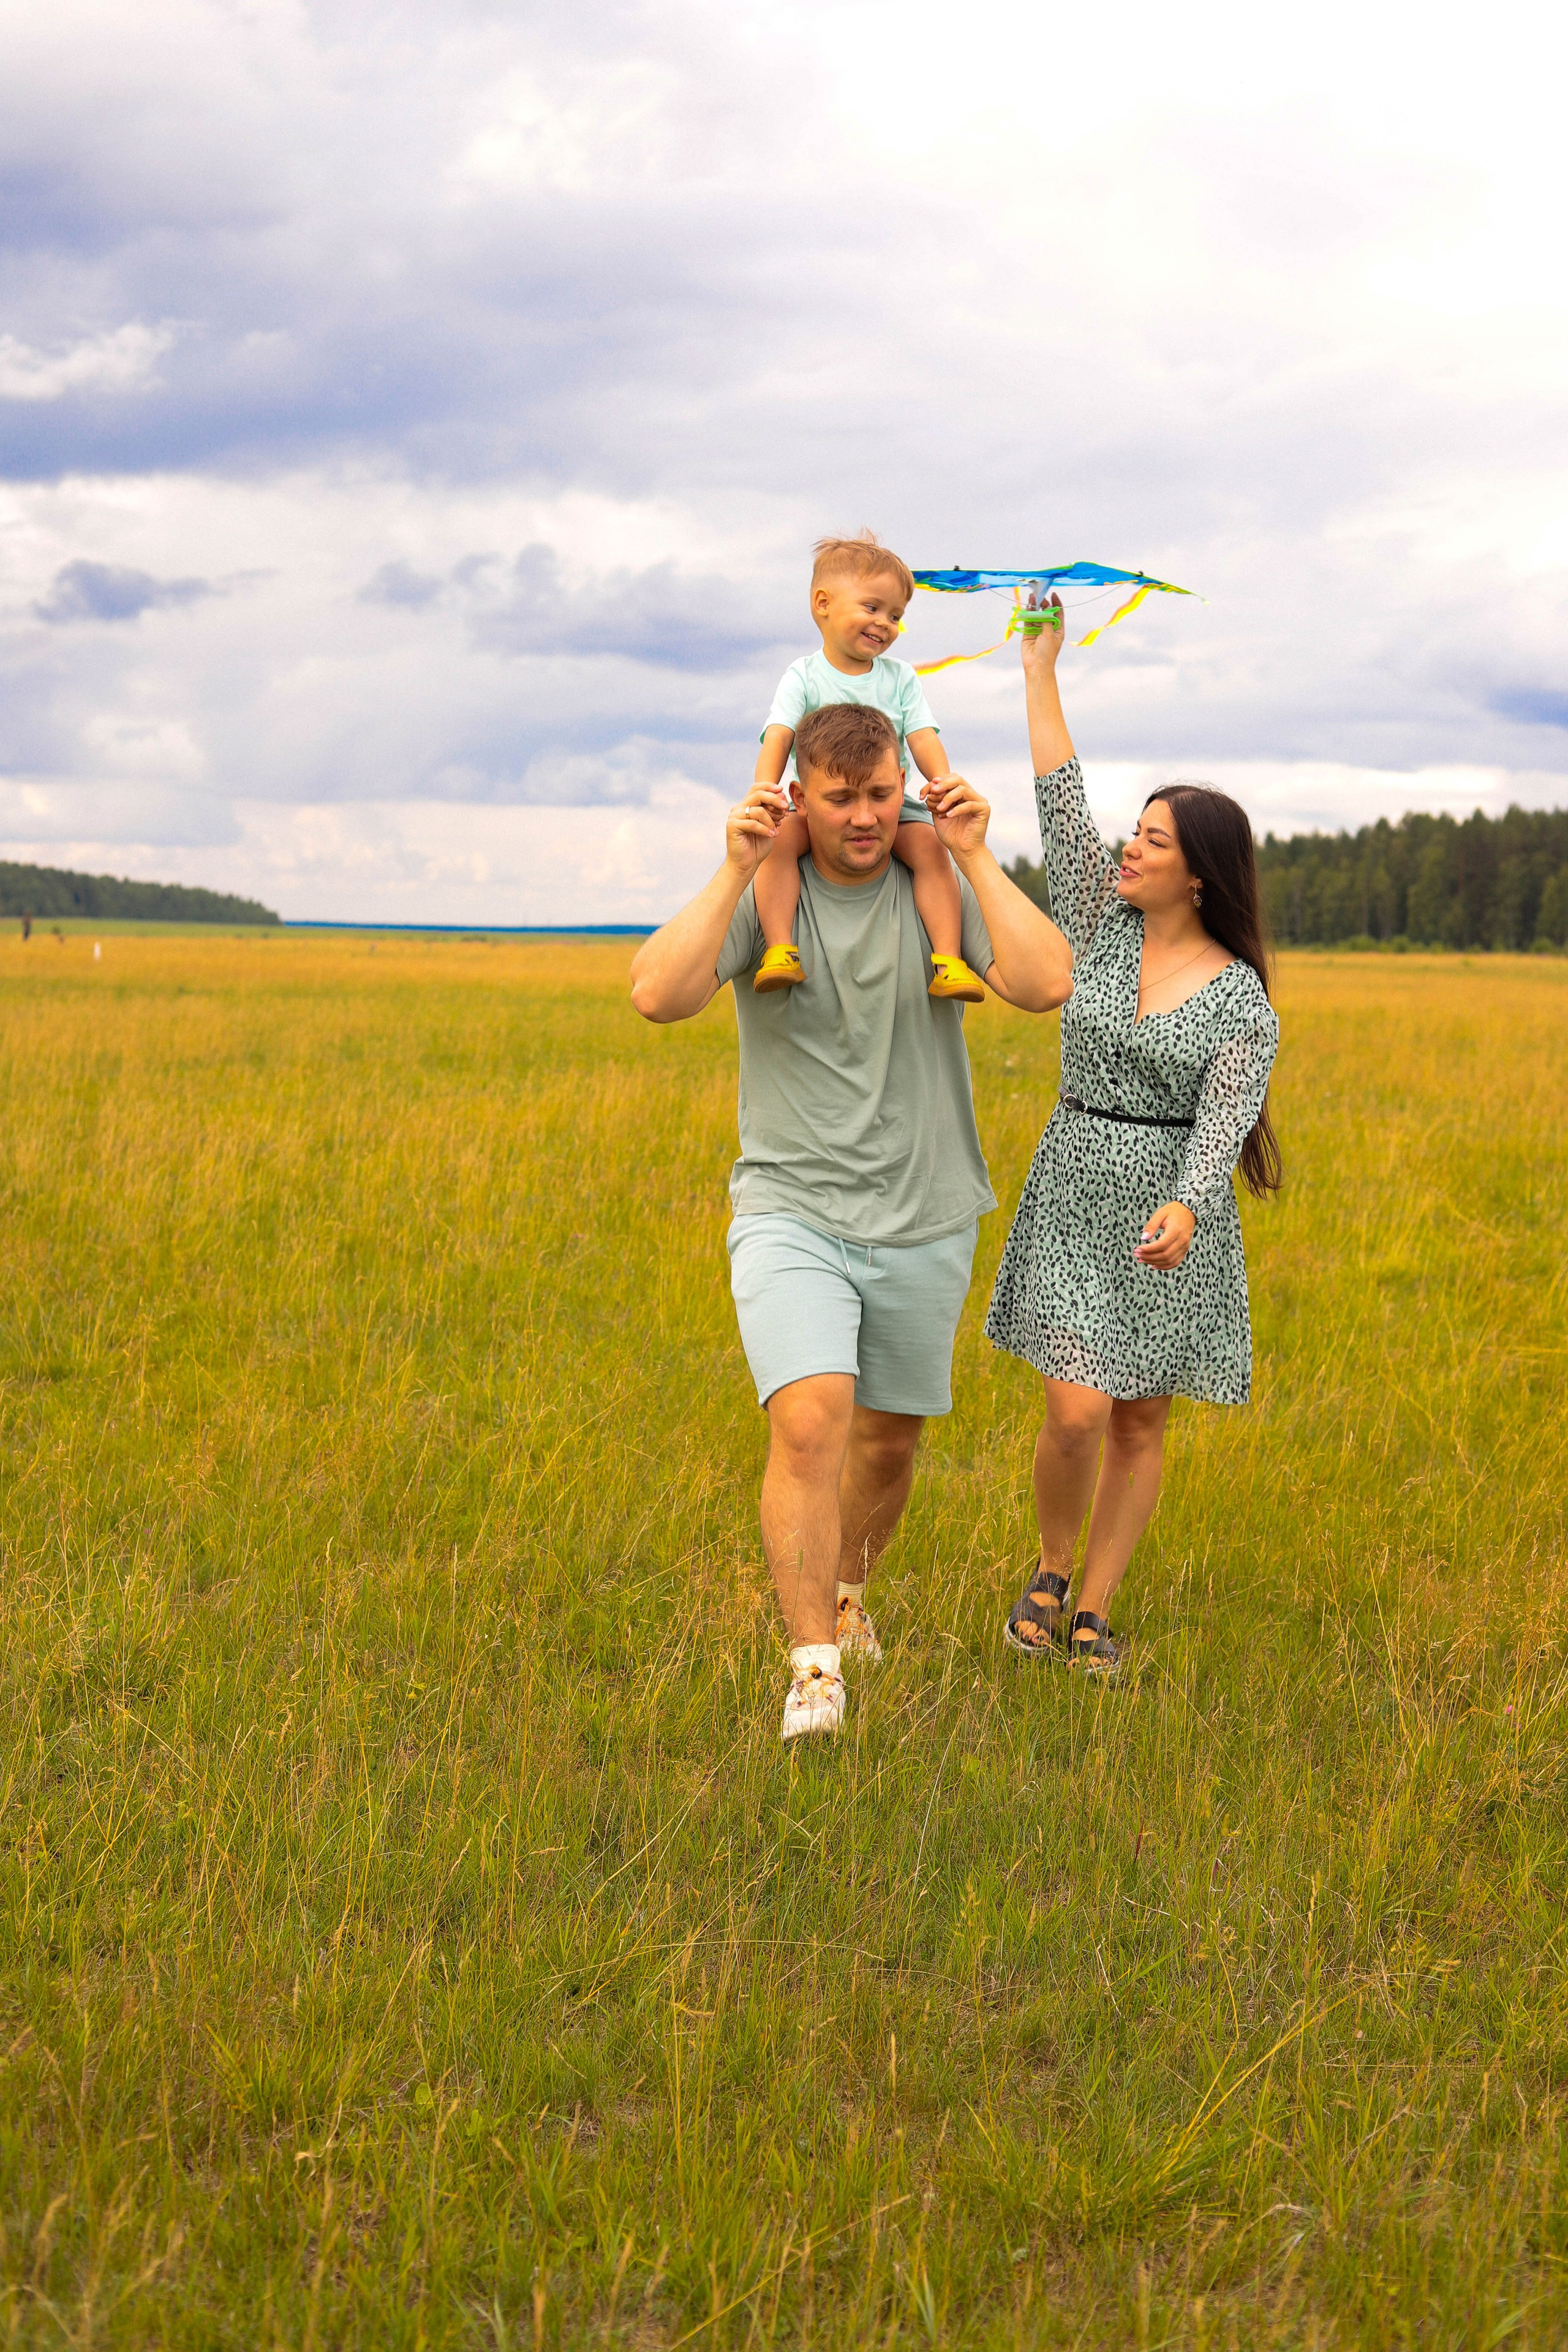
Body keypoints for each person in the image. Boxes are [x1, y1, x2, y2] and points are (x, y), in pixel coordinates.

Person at [630, 702, 1072, 1741]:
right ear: (802, 798)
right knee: (812, 1420)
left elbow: (1048, 982)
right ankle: (814, 1672)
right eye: (842, 798)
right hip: (791, 1205)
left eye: (883, 794)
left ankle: (846, 1596)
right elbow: (656, 993)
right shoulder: (770, 889)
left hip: (926, 1213)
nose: (867, 816)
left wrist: (976, 854)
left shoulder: (938, 884)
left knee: (887, 1443)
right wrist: (735, 868)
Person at [986, 594, 1282, 1677]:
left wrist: (1193, 1202)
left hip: (1166, 1209)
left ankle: (1097, 1609)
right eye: (1136, 832)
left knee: (1142, 1419)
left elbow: (1225, 1116)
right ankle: (1052, 1567)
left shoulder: (1241, 996)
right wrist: (1038, 668)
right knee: (1076, 1411)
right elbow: (1062, 799)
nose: (1129, 847)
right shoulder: (1097, 919)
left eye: (1152, 841)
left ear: (1196, 871)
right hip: (1074, 1178)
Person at [751, 532, 988, 1006]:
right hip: (821, 810)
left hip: (888, 808)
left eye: (896, 616)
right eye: (873, 608)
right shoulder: (804, 675)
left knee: (930, 852)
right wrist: (763, 789)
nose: (886, 624)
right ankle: (779, 948)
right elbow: (779, 733)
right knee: (776, 848)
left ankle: (948, 960)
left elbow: (922, 735)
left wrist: (942, 786)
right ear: (823, 604)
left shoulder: (899, 677)